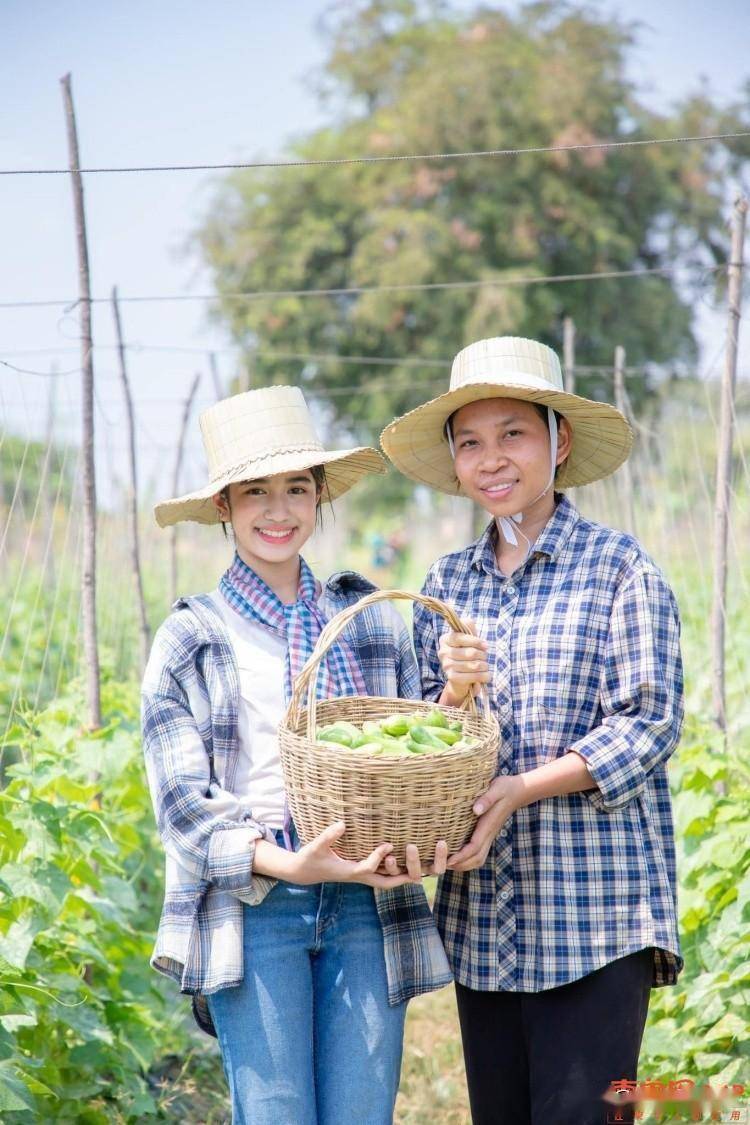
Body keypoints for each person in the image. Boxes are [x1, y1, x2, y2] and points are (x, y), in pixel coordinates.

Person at [380, 336, 684, 1125]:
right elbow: (425, 744)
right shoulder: (446, 583)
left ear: (560, 440)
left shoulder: (619, 569)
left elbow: (648, 723)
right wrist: (453, 690)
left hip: (596, 916)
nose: (492, 459)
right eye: (470, 442)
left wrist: (522, 787)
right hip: (486, 921)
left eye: (513, 433)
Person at [142, 385, 452, 1125]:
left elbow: (418, 748)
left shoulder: (366, 620)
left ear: (319, 497)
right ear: (224, 504)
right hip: (257, 906)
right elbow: (181, 805)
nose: (277, 510)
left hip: (366, 902)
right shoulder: (193, 636)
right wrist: (289, 864)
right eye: (255, 491)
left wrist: (461, 692)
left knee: (361, 1113)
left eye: (296, 488)